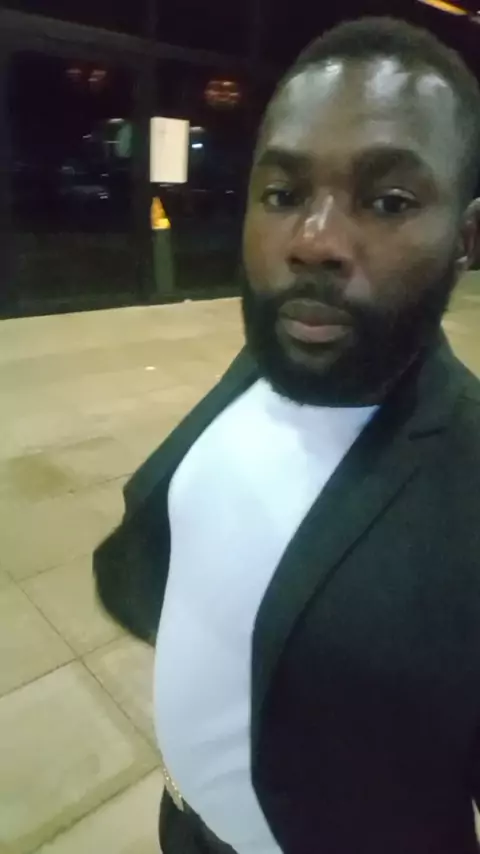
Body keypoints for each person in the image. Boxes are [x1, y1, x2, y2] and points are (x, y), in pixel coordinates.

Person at [93, 16, 480, 854]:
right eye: (283, 195)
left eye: (388, 201)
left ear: (465, 241)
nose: (313, 242)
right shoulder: (275, 359)